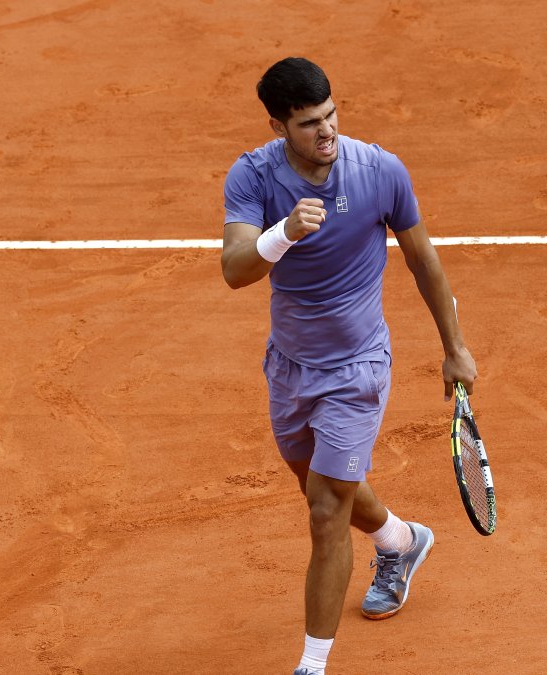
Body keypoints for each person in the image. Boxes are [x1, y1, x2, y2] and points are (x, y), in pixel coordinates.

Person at [219, 57, 478, 675]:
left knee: (325, 511)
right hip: (289, 367)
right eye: (310, 123)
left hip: (358, 369)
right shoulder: (252, 176)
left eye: (331, 114)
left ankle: (312, 665)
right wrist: (283, 233)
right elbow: (234, 269)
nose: (327, 130)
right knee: (320, 486)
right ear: (279, 126)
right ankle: (401, 541)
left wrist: (455, 347)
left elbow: (423, 259)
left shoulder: (380, 171)